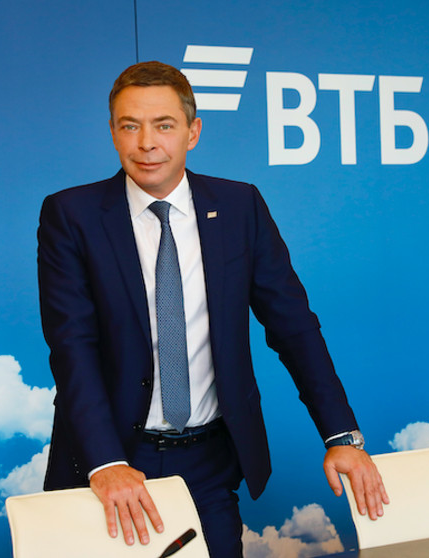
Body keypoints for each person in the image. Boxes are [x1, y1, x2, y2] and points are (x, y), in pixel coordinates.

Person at [38, 60, 388, 557]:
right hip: (110, 465)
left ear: (193, 132)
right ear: (113, 132)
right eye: (130, 126)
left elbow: (294, 327)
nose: (146, 143)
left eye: (164, 125)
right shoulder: (71, 215)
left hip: (207, 464)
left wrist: (341, 437)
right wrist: (106, 463)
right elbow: (72, 347)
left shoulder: (240, 206)